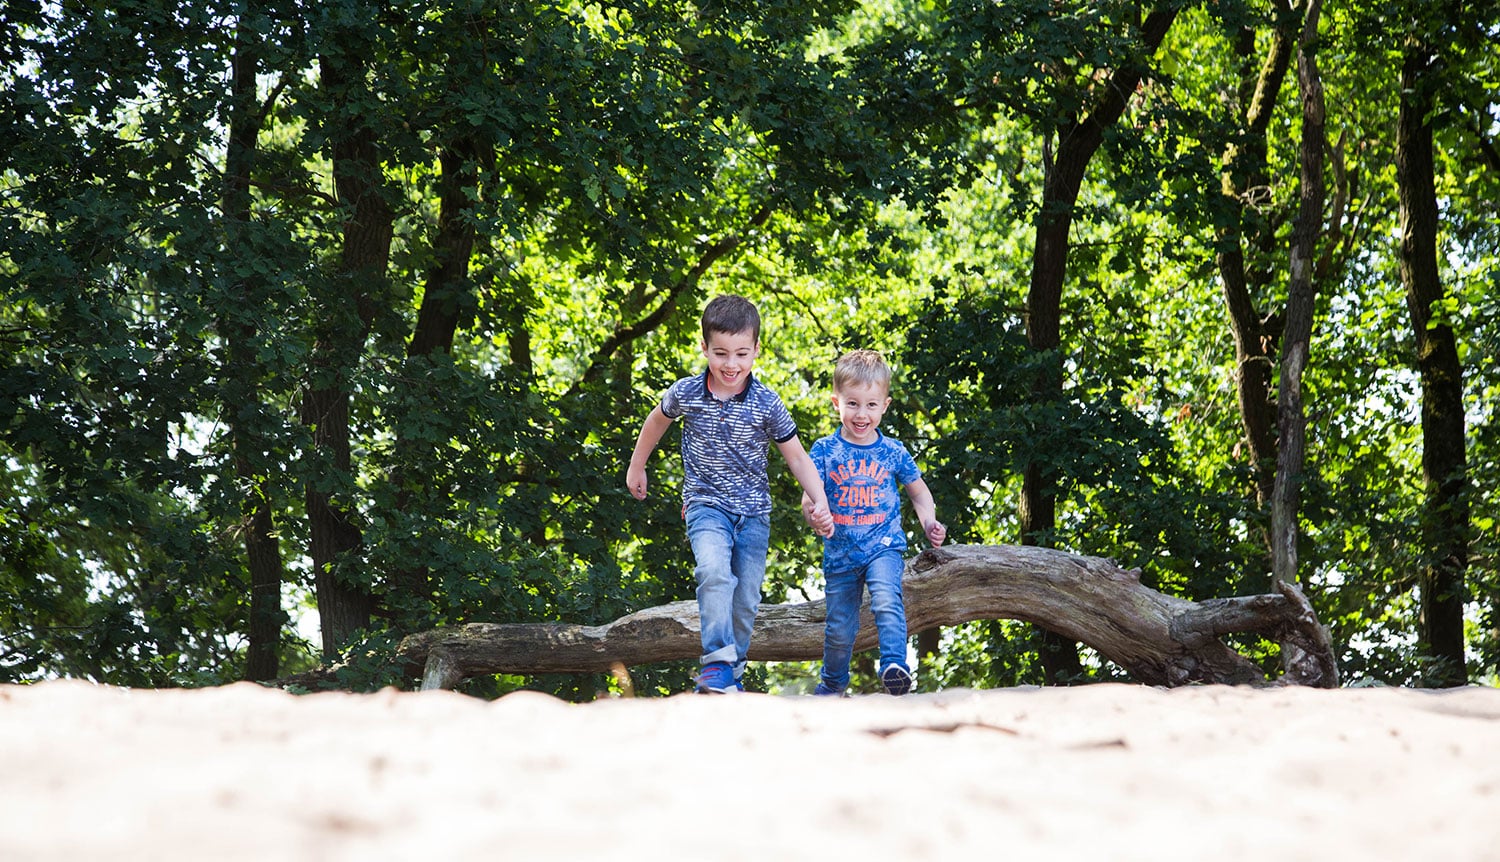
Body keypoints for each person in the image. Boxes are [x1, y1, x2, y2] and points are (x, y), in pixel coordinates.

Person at [627, 294, 835, 694]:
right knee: (713, 572)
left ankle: (732, 673)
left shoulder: (767, 403)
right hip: (706, 505)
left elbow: (796, 457)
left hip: (755, 514)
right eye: (720, 353)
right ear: (704, 348)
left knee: (746, 601)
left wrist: (820, 500)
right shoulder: (687, 393)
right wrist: (637, 466)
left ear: (757, 349)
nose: (731, 364)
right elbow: (656, 422)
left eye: (742, 353)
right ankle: (718, 663)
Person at [802, 349, 945, 697]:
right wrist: (815, 515)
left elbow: (919, 493)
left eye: (870, 405)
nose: (861, 413)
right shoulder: (824, 450)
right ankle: (833, 684)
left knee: (886, 599)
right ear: (836, 402)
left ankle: (895, 666)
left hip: (884, 547)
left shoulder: (893, 451)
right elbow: (808, 499)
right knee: (839, 628)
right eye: (852, 404)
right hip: (840, 554)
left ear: (885, 405)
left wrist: (929, 522)